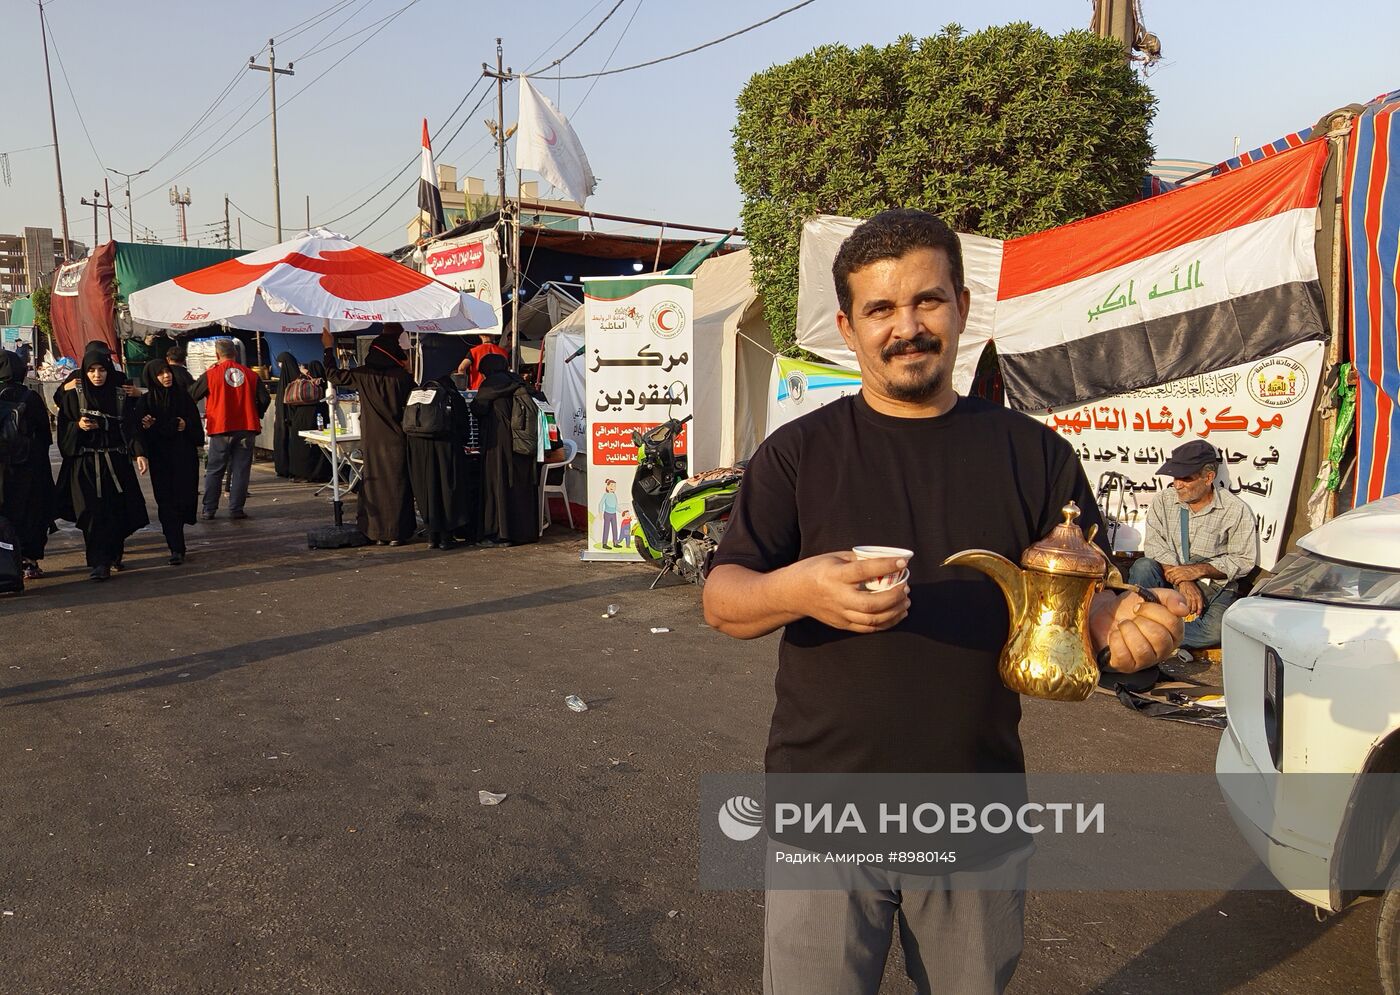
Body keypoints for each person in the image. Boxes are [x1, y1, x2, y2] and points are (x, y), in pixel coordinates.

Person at [702, 209, 1188, 994]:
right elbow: (724, 600)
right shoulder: (798, 453)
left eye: (927, 301)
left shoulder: (1035, 455)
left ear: (963, 306)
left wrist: (1121, 625)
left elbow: (1083, 599)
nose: (907, 327)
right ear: (847, 325)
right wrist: (801, 588)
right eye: (881, 309)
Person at [1130, 439, 1259, 651]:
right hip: (1169, 578)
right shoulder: (1164, 500)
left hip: (1212, 586)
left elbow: (1243, 560)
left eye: (1186, 478)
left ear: (1208, 477)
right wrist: (1183, 580)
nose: (1177, 484)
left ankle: (1155, 634)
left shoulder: (1234, 509)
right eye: (1175, 478)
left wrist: (1197, 571)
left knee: (1217, 630)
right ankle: (1154, 630)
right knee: (1143, 567)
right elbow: (1154, 545)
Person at [55, 347, 149, 580]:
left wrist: (139, 453)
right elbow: (64, 428)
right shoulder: (73, 396)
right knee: (91, 514)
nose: (97, 375)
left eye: (102, 370)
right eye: (92, 371)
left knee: (116, 511)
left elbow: (130, 426)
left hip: (115, 463)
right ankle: (99, 562)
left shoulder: (120, 395)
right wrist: (79, 427)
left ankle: (114, 553)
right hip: (85, 464)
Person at [320, 325, 417, 545]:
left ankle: (378, 532)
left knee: (375, 484)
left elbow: (332, 375)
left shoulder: (362, 374)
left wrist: (328, 347)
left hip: (372, 439)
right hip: (397, 438)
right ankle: (397, 532)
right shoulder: (401, 377)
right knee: (397, 484)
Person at [191, 338, 271, 520]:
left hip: (220, 426)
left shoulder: (211, 374)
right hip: (246, 426)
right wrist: (255, 412)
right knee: (241, 469)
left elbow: (192, 394)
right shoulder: (250, 374)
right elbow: (264, 399)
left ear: (217, 354)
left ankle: (209, 509)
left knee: (215, 469)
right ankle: (236, 509)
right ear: (235, 354)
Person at [134, 359, 204, 565]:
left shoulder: (183, 398)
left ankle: (177, 536)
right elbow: (139, 431)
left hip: (184, 459)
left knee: (184, 500)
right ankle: (176, 547)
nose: (166, 376)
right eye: (161, 373)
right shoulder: (146, 402)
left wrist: (184, 424)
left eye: (168, 371)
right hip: (161, 460)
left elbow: (196, 431)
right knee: (167, 504)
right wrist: (143, 447)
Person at [470, 353, 538, 546]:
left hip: (497, 443)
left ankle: (500, 533)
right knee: (519, 487)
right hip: (523, 445)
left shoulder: (491, 385)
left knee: (497, 486)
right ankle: (521, 533)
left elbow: (478, 408)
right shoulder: (519, 382)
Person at [406, 373, 479, 549]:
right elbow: (464, 429)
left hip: (418, 451)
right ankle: (447, 537)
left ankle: (432, 535)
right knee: (448, 491)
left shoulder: (416, 397)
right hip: (447, 449)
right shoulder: (453, 398)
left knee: (427, 491)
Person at [0, 349, 55, 580]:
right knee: (32, 513)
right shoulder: (30, 397)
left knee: (5, 514)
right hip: (30, 468)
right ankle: (30, 561)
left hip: (2, 469)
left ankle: (7, 563)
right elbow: (45, 435)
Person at [272, 352, 331, 483]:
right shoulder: (323, 384)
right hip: (318, 417)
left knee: (300, 447)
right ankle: (318, 472)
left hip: (300, 418)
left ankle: (300, 473)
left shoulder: (303, 381)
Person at [598, 479, 620, 549]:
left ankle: (615, 543)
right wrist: (600, 513)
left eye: (614, 486)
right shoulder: (606, 495)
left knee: (615, 528)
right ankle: (604, 544)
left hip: (614, 514)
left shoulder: (614, 495)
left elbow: (616, 506)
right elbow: (600, 504)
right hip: (607, 514)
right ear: (607, 486)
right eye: (611, 485)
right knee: (606, 528)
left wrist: (622, 511)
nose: (613, 487)